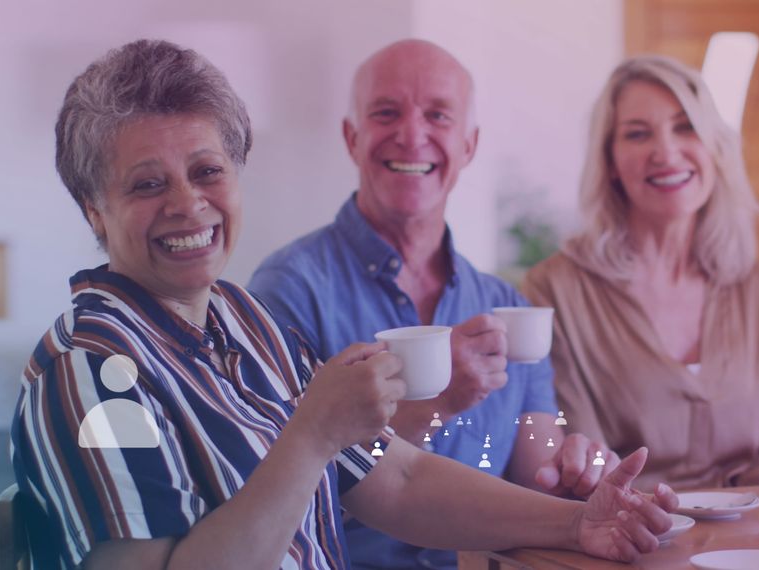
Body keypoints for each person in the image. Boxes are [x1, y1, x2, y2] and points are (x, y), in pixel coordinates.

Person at [9, 39, 679, 570]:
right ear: (93, 209)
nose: (188, 204)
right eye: (147, 183)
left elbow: (401, 480)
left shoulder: (246, 322)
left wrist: (577, 521)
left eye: (208, 170)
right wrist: (311, 439)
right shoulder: (91, 370)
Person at [249, 40, 616, 567]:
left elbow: (543, 465)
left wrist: (580, 466)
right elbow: (286, 493)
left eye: (438, 115)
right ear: (352, 138)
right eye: (386, 112)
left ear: (468, 145)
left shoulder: (504, 305)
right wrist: (432, 408)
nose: (412, 135)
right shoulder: (290, 291)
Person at [521, 55, 759, 492]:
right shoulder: (555, 290)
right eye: (637, 134)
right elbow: (582, 464)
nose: (666, 152)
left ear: (714, 147)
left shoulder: (756, 285)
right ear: (610, 162)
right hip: (627, 541)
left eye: (685, 127)